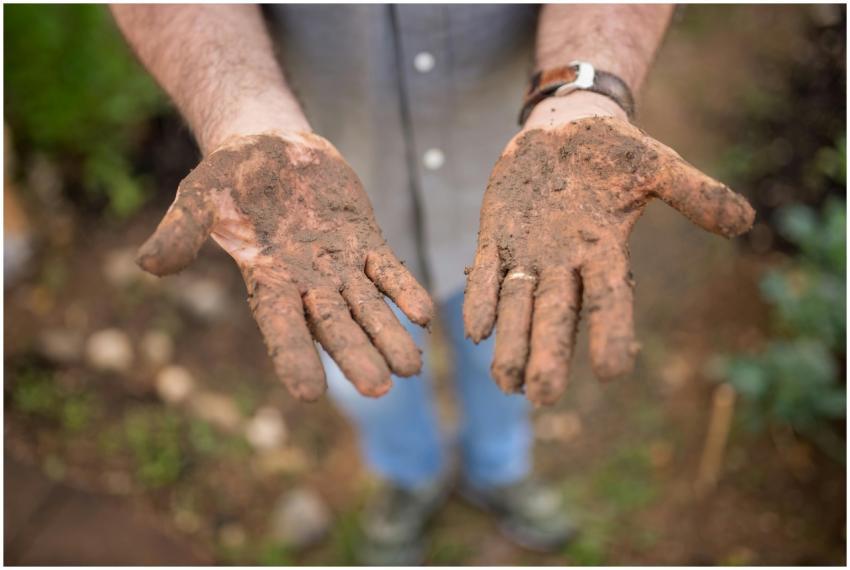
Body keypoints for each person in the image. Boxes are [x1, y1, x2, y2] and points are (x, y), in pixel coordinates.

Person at [112, 4, 754, 564]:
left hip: (521, 183)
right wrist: (243, 116)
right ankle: (409, 479)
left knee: (514, 357)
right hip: (320, 207)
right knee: (369, 384)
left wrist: (581, 90)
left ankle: (497, 471)